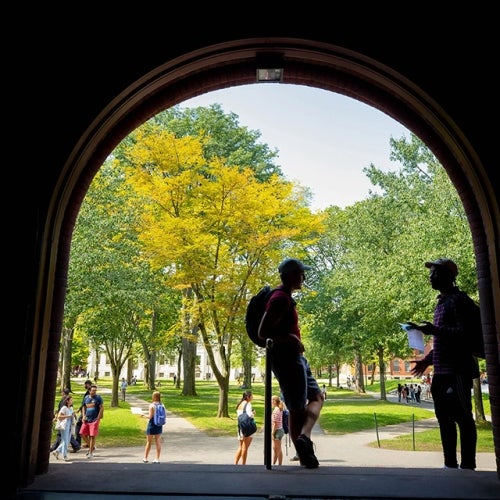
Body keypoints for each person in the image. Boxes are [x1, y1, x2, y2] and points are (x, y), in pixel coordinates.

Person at [409, 257, 479, 470]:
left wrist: (434, 330)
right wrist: (426, 361)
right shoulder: (442, 302)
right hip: (441, 372)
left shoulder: (458, 301)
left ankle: (468, 466)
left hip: (457, 372)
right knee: (444, 419)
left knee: (464, 419)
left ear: (448, 276)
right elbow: (442, 341)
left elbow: (464, 334)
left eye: (434, 273)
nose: (430, 277)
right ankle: (450, 464)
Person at [258, 258, 323, 469]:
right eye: (299, 273)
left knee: (317, 396)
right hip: (287, 361)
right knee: (296, 409)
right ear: (289, 276)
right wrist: (290, 339)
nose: (303, 277)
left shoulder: (285, 298)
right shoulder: (280, 299)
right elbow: (263, 332)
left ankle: (304, 437)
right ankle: (304, 456)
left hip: (297, 359)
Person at [50, 388, 80, 453]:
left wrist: (56, 417)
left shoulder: (64, 400)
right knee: (65, 436)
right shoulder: (68, 399)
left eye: (62, 392)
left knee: (62, 435)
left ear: (63, 393)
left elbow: (62, 410)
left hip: (64, 421)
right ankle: (75, 446)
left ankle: (55, 449)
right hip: (66, 421)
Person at [79, 384, 104, 459]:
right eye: (93, 390)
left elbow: (101, 408)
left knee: (92, 436)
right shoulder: (86, 398)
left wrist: (98, 419)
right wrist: (83, 416)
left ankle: (90, 453)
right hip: (86, 420)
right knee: (82, 434)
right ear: (89, 391)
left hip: (94, 420)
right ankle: (91, 447)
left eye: (95, 390)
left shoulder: (98, 398)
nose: (94, 392)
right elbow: (83, 407)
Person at [234, 390, 255, 465]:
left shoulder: (240, 404)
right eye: (251, 396)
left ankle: (235, 463)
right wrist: (253, 413)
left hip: (240, 427)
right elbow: (249, 415)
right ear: (248, 397)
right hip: (247, 427)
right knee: (245, 447)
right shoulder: (248, 404)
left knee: (241, 446)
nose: (252, 397)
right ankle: (243, 465)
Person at [142, 390, 164, 463]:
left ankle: (145, 457)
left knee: (149, 442)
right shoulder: (162, 405)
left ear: (153, 397)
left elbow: (150, 416)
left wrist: (143, 415)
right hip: (159, 424)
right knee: (158, 441)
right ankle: (157, 458)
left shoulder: (152, 405)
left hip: (152, 424)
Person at [52, 395, 76, 461]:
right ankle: (64, 455)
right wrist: (69, 416)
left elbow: (71, 416)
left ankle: (56, 451)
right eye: (71, 400)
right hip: (64, 426)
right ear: (67, 401)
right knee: (65, 440)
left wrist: (73, 415)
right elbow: (59, 416)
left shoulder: (71, 408)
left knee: (67, 441)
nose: (72, 401)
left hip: (70, 426)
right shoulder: (64, 408)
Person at [75, 379, 92, 448]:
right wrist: (79, 408)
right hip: (86, 412)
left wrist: (83, 413)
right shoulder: (89, 392)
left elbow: (85, 404)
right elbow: (84, 403)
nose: (84, 386)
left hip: (85, 413)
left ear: (88, 384)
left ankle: (77, 444)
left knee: (78, 427)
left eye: (85, 384)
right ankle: (88, 443)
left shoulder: (89, 393)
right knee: (87, 428)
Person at [271, 395, 284, 465]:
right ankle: (277, 464)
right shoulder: (279, 409)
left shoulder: (276, 410)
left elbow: (275, 424)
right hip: (279, 430)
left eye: (272, 400)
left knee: (277, 449)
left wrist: (272, 433)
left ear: (274, 401)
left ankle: (276, 464)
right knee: (277, 449)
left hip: (277, 431)